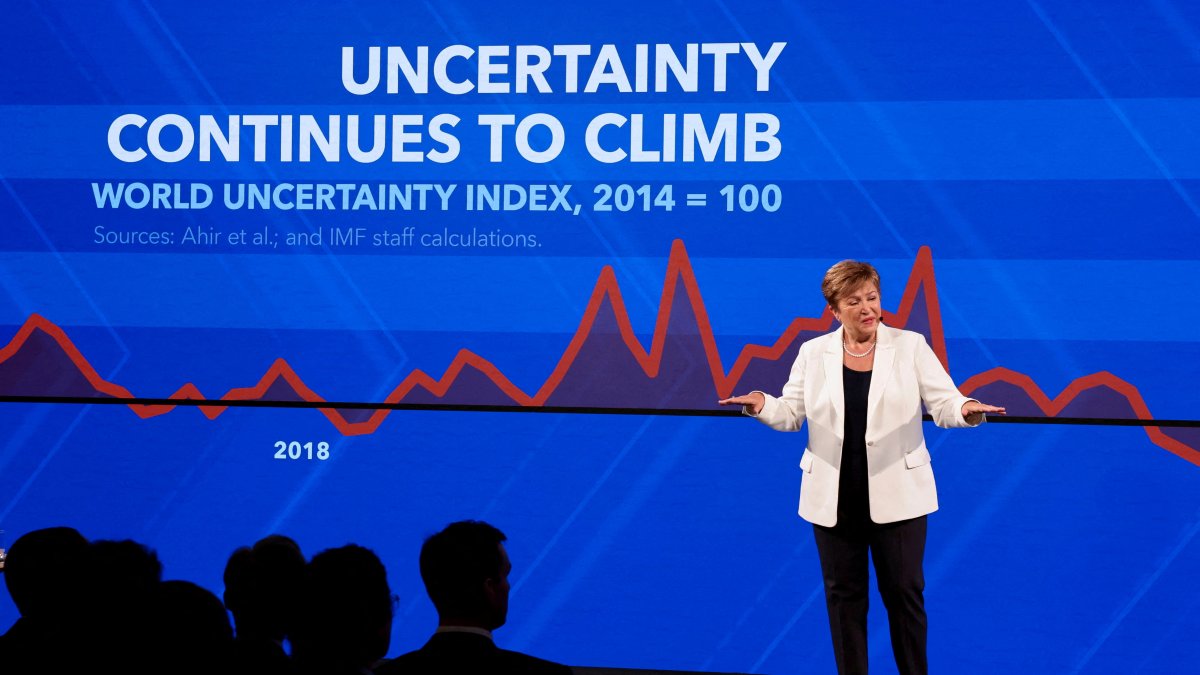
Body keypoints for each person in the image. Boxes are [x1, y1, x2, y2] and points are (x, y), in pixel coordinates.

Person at [719, 259, 1004, 675]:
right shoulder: (813, 353)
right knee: (844, 600)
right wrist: (763, 404)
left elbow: (944, 402)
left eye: (872, 297)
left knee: (904, 596)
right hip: (834, 501)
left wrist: (968, 408)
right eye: (854, 301)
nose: (867, 308)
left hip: (900, 498)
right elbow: (791, 413)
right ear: (834, 310)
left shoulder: (910, 346)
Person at [374, 520, 572, 675]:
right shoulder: (551, 674)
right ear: (490, 587)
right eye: (505, 575)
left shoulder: (386, 673)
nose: (508, 586)